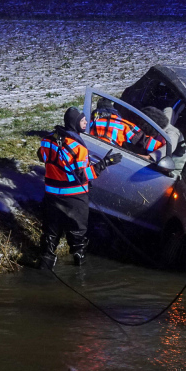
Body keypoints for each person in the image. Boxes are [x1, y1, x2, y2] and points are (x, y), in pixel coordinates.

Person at [37, 107, 122, 269]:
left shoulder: (47, 140)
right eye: (82, 120)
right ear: (74, 123)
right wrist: (105, 163)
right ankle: (79, 265)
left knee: (51, 230)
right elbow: (83, 175)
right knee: (77, 231)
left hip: (52, 195)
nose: (86, 123)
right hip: (74, 197)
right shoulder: (78, 148)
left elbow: (42, 156)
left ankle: (46, 262)